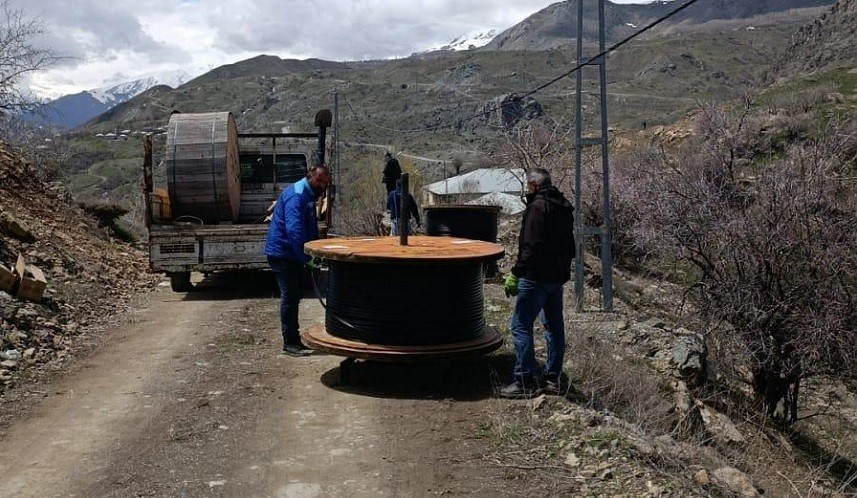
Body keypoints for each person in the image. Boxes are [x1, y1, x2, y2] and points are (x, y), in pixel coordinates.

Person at [501, 168, 574, 398]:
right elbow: (570, 247)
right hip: (556, 278)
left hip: (535, 278)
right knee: (554, 327)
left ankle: (524, 380)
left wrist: (516, 273)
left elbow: (530, 247)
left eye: (527, 185)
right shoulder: (562, 206)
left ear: (533, 185)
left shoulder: (537, 208)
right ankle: (553, 378)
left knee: (521, 326)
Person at [265, 165, 331, 356]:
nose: (322, 185)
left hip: (291, 253)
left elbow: (308, 226)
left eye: (325, 182)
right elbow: (294, 231)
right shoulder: (297, 195)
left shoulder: (308, 194)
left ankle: (294, 338)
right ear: (309, 176)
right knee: (290, 297)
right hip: (283, 254)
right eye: (319, 180)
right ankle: (290, 342)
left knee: (294, 296)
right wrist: (306, 257)